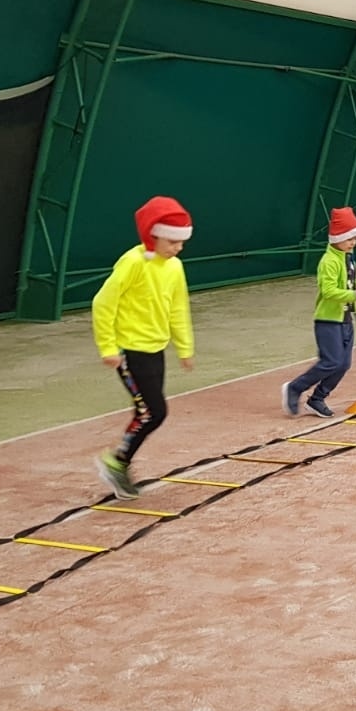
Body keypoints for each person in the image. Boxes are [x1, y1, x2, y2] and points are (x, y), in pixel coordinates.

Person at [92, 195, 196, 499]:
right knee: (153, 412)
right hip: (129, 352)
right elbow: (103, 303)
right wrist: (107, 346)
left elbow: (178, 307)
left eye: (181, 242)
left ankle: (119, 463)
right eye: (172, 241)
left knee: (149, 411)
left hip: (155, 350)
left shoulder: (175, 267)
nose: (178, 247)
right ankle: (116, 462)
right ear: (153, 234)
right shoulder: (133, 262)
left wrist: (184, 347)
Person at [282, 207, 356, 419]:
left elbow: (348, 280)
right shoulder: (328, 261)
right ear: (337, 238)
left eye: (355, 238)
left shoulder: (347, 256)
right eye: (349, 238)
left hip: (346, 319)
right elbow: (329, 291)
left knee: (344, 364)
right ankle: (295, 387)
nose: (353, 243)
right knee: (330, 361)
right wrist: (354, 293)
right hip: (328, 320)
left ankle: (317, 398)